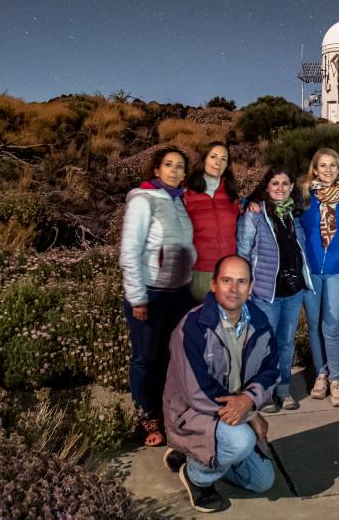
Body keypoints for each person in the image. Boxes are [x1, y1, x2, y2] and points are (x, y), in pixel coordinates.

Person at [162, 255, 278, 513]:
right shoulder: (192, 327)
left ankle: (196, 456)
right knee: (240, 441)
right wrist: (249, 414)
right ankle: (197, 478)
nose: (234, 289)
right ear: (213, 284)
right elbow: (197, 392)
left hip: (234, 409)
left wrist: (249, 400)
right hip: (193, 413)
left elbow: (271, 371)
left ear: (250, 287)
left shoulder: (260, 323)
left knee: (262, 481)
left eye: (241, 281)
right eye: (226, 280)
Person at [119, 146, 197, 447]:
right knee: (145, 358)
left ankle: (166, 411)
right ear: (156, 170)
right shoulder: (143, 200)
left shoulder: (180, 201)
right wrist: (137, 297)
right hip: (150, 294)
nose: (175, 170)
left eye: (180, 166)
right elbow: (130, 251)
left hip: (178, 294)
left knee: (169, 356)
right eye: (168, 165)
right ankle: (146, 415)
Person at [237, 167, 312, 412]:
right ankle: (263, 392)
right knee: (263, 343)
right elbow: (243, 252)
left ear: (291, 187)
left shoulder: (294, 215)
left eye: (285, 184)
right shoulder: (254, 215)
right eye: (275, 183)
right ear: (266, 187)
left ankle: (283, 389)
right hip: (266, 292)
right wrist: (246, 284)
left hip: (292, 291)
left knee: (286, 343)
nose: (280, 188)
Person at [298, 148, 339, 407]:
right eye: (322, 166)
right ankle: (321, 373)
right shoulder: (305, 196)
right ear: (314, 169)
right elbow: (281, 210)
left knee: (332, 324)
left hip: (338, 270)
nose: (327, 170)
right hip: (312, 270)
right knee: (314, 323)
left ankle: (336, 379)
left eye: (333, 166)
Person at [184, 141, 241, 302]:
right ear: (204, 159)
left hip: (229, 272)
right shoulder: (187, 194)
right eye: (213, 156)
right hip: (199, 272)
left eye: (224, 159)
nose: (218, 162)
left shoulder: (231, 195)